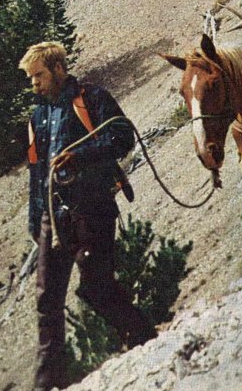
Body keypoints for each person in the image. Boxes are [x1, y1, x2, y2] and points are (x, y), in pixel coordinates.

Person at [19, 41, 157, 391]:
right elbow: (36, 171)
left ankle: (145, 339)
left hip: (91, 208)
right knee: (47, 299)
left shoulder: (90, 98)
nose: (33, 84)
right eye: (30, 78)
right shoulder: (38, 116)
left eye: (38, 75)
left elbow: (122, 135)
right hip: (54, 216)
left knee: (96, 287)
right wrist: (37, 222)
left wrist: (79, 156)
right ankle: (48, 383)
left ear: (58, 70)